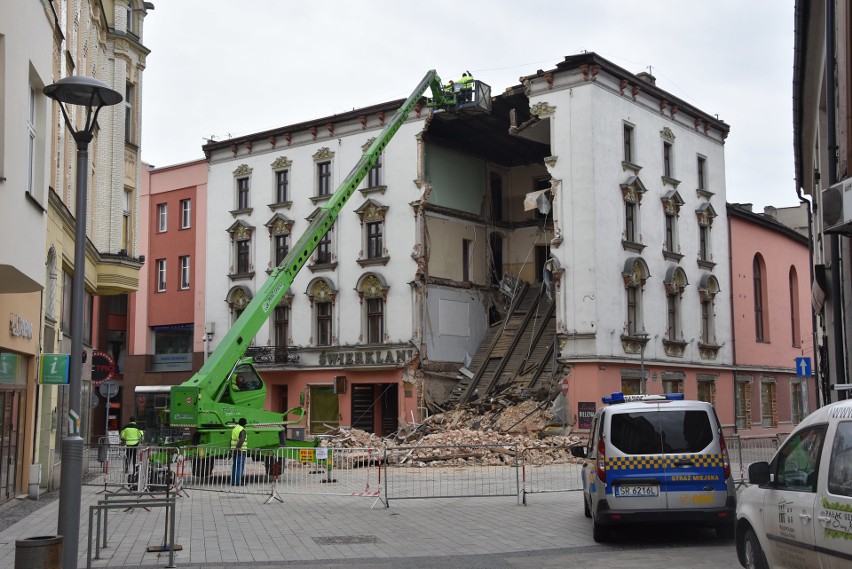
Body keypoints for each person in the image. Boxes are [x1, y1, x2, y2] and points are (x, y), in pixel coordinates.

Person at [230, 417, 248, 485]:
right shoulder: (242, 430)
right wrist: (237, 449)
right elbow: (241, 441)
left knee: (235, 466)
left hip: (234, 450)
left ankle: (233, 481)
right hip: (240, 451)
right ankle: (238, 482)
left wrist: (233, 450)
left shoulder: (235, 429)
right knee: (240, 466)